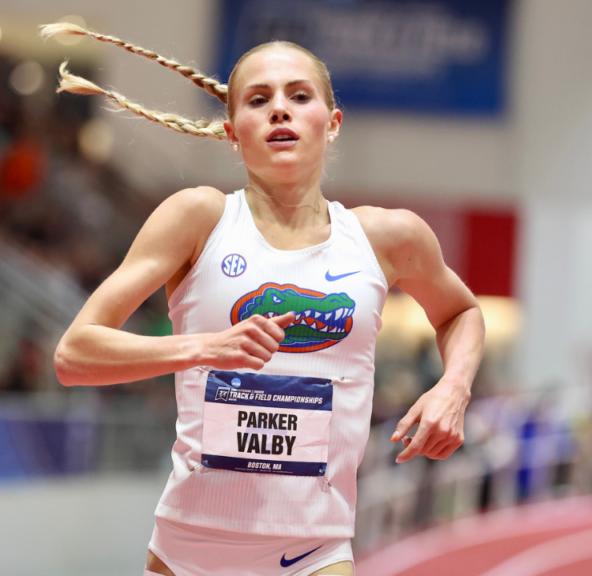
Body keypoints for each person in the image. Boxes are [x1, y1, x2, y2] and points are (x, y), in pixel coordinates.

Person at [46, 23, 485, 576]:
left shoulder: (389, 237)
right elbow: (74, 355)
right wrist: (203, 348)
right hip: (190, 549)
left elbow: (461, 312)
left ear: (332, 124)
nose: (280, 110)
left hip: (316, 549)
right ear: (233, 132)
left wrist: (454, 387)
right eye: (259, 100)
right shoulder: (197, 219)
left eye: (299, 96)